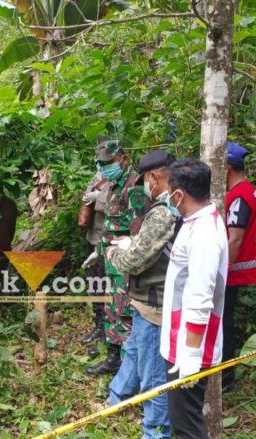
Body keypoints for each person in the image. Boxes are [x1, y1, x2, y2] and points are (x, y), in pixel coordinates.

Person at [104, 150, 178, 439]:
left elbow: (134, 262)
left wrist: (113, 253)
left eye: (145, 181)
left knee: (154, 378)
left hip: (155, 304)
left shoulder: (164, 211)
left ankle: (155, 432)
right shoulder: (171, 206)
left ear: (154, 177)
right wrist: (133, 241)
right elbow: (153, 247)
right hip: (145, 300)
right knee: (134, 352)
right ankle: (117, 398)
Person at [161, 158, 228, 438]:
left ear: (179, 195)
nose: (167, 198)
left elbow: (201, 299)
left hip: (189, 348)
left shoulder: (204, 236)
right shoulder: (193, 222)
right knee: (181, 423)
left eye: (169, 193)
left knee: (187, 427)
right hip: (178, 340)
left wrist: (190, 354)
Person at [83, 139, 149, 375]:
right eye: (101, 164)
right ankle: (113, 358)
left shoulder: (134, 187)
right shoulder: (112, 185)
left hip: (127, 263)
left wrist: (129, 261)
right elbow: (111, 224)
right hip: (112, 260)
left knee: (125, 312)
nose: (104, 168)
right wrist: (99, 251)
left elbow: (138, 231)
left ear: (123, 158)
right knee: (112, 308)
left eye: (108, 162)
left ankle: (128, 365)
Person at [222, 141, 256, 392]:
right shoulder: (245, 191)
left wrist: (223, 270)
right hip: (233, 270)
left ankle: (225, 378)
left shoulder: (239, 195)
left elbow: (234, 239)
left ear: (226, 167)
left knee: (223, 324)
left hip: (232, 272)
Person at [80, 172, 111, 356]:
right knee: (95, 286)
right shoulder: (98, 175)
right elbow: (86, 195)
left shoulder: (125, 178)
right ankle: (99, 327)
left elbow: (122, 205)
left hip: (108, 242)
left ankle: (108, 334)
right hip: (93, 239)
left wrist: (99, 197)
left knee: (107, 289)